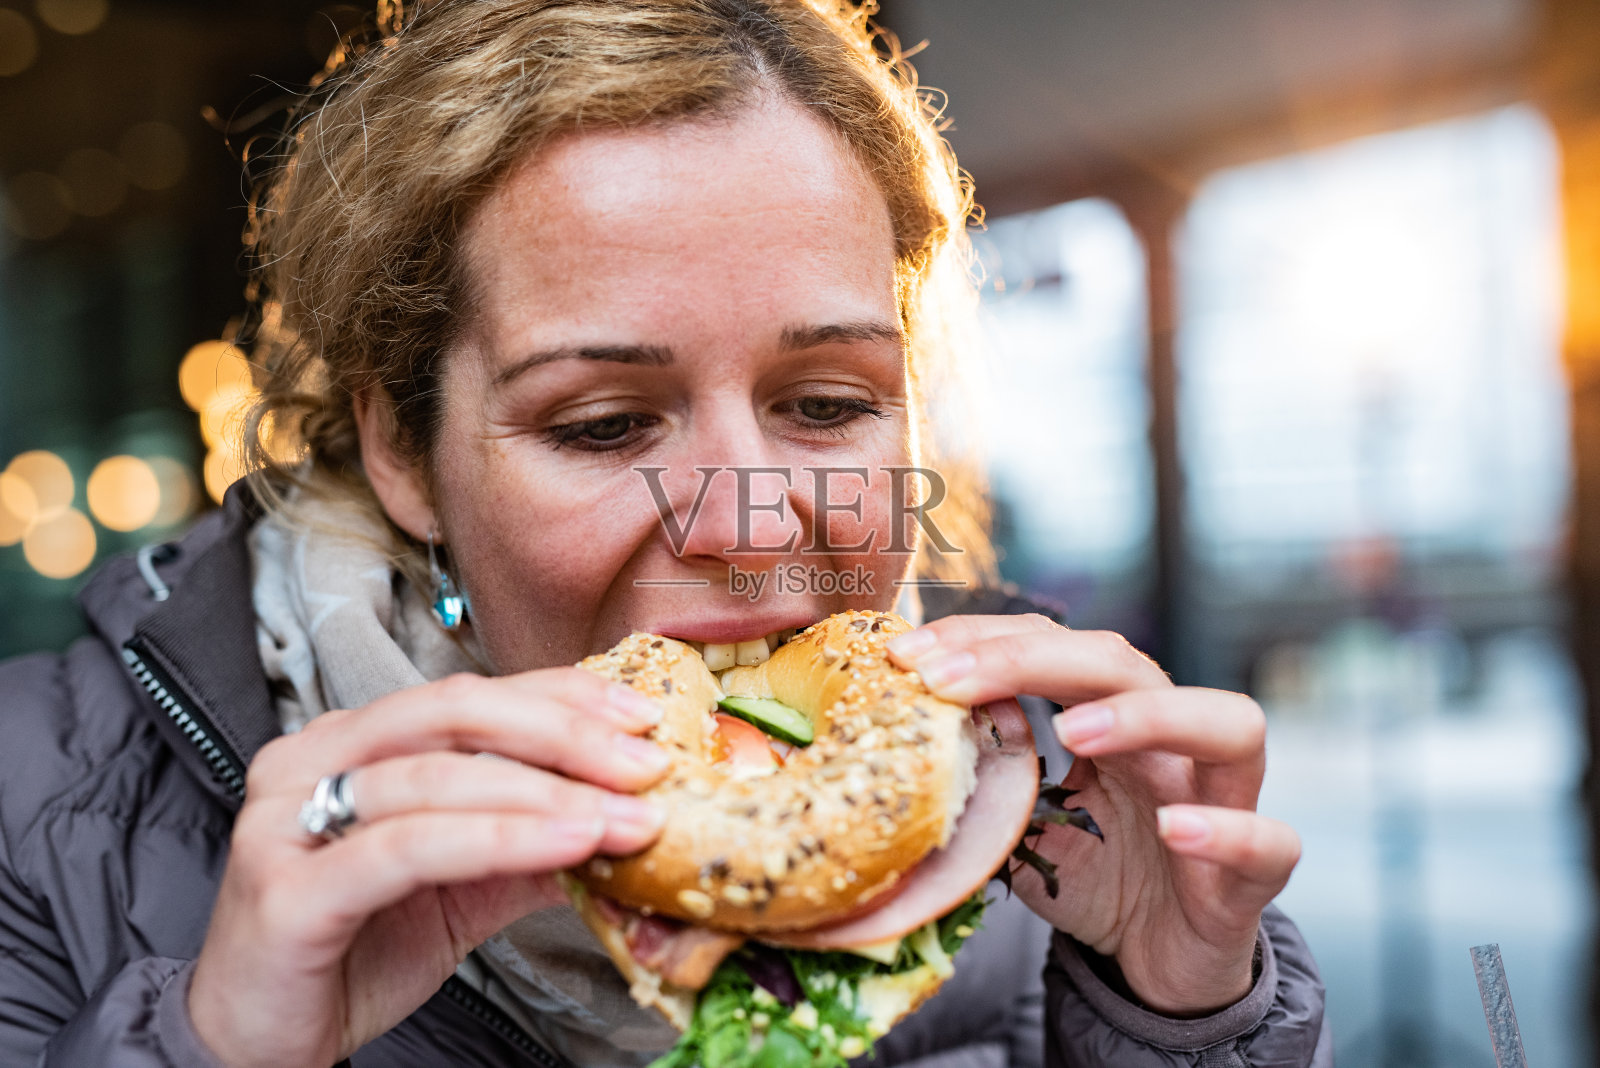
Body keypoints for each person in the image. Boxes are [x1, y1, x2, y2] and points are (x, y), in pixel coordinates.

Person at [0, 2, 1330, 1065]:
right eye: (603, 425)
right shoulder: (33, 822)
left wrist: (1178, 1023)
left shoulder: (1040, 837)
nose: (749, 525)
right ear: (403, 451)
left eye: (823, 403)